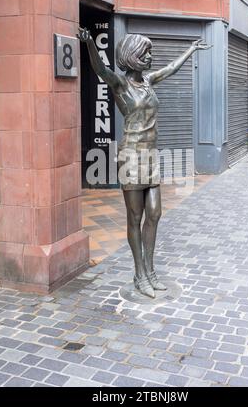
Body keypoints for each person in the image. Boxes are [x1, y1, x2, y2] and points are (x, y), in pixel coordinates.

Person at [78, 27, 211, 298]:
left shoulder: (149, 81)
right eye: (145, 52)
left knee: (155, 213)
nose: (150, 56)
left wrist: (191, 50)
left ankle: (151, 271)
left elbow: (171, 68)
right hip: (131, 156)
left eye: (150, 51)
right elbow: (100, 69)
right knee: (135, 217)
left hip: (150, 155)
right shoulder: (120, 84)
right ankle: (140, 274)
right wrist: (90, 43)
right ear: (132, 56)